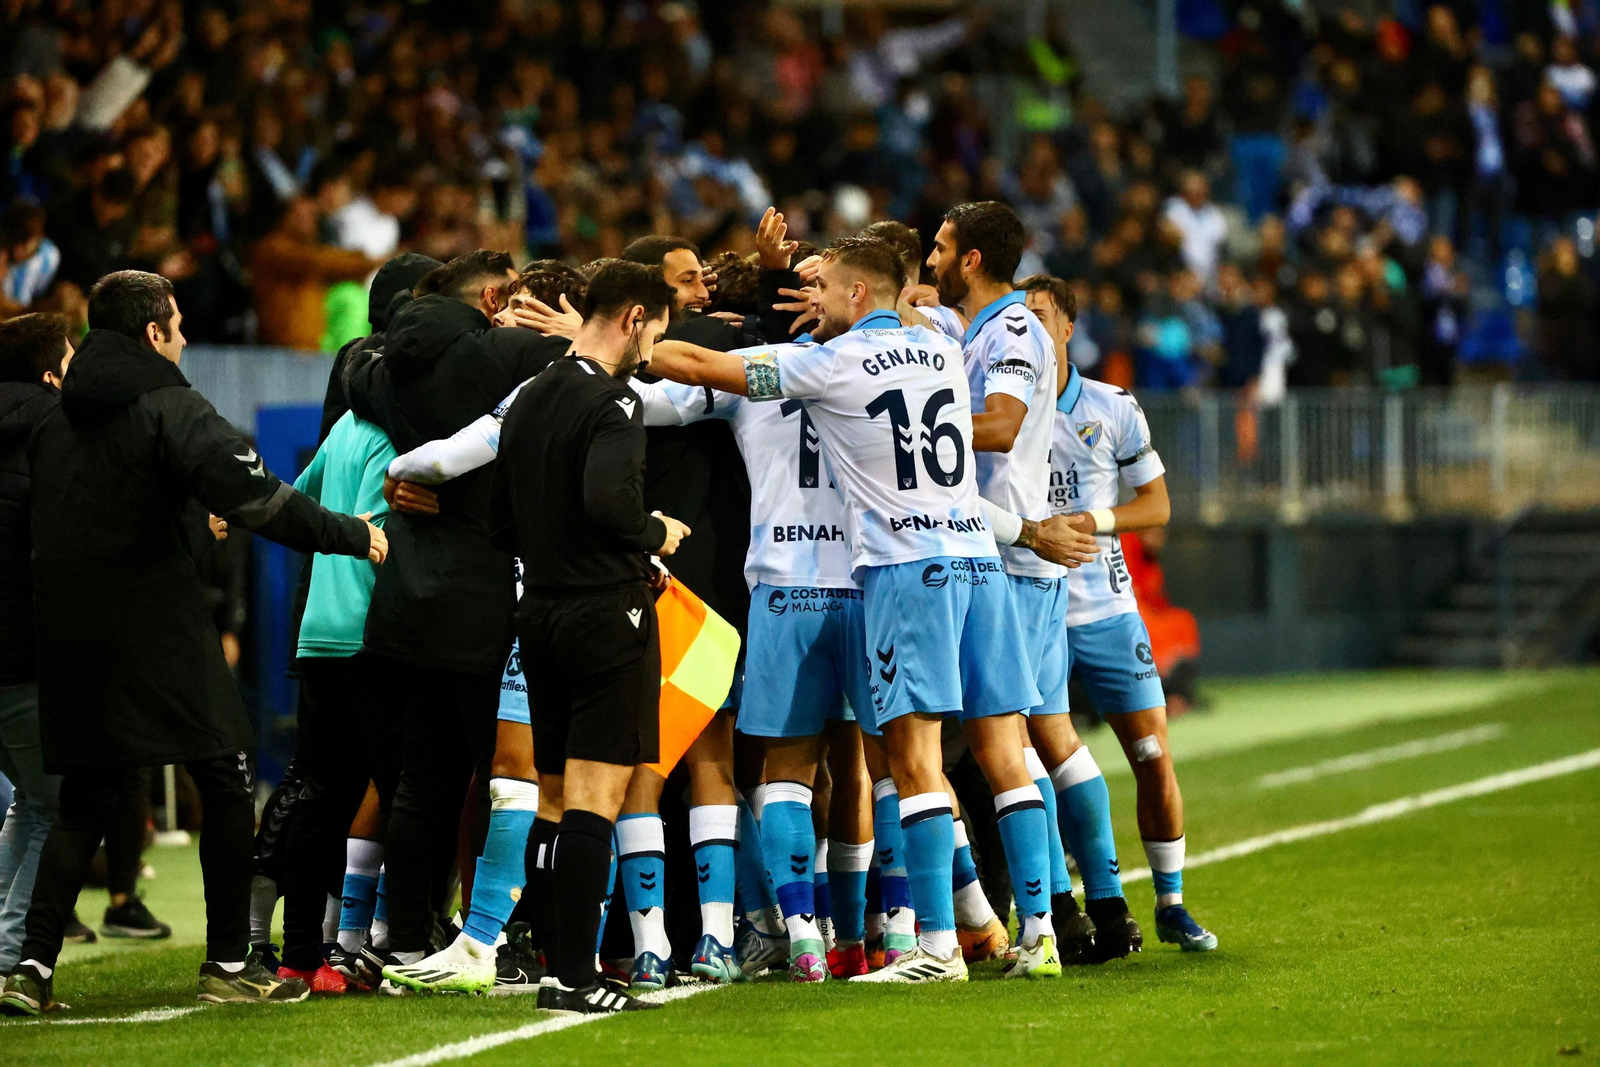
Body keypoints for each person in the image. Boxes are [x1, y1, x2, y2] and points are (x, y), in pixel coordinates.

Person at [648, 237, 1078, 984]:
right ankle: (1038, 932)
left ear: (852, 296)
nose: (815, 302)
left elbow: (698, 368)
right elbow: (919, 301)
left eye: (827, 291)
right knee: (1007, 754)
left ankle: (934, 945)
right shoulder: (938, 342)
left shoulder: (827, 365)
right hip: (980, 558)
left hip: (908, 572)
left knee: (910, 764)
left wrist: (627, 341)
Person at [0, 271, 387, 1016]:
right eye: (176, 327)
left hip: (72, 636)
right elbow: (262, 500)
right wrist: (351, 533)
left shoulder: (55, 419)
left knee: (86, 799)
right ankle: (230, 960)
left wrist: (185, 519)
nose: (182, 340)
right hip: (159, 625)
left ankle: (29, 968)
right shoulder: (171, 404)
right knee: (227, 772)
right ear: (153, 333)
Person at [341, 250, 567, 976]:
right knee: (514, 778)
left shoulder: (378, 367)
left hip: (410, 596)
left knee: (423, 782)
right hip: (489, 594)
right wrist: (562, 327)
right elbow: (594, 359)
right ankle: (509, 932)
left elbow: (355, 375)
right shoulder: (506, 353)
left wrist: (405, 474)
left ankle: (401, 935)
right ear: (496, 298)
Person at [923, 201, 1120, 970]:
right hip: (1003, 554)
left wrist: (906, 417)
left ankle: (1016, 920)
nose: (932, 259)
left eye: (941, 247)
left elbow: (1000, 424)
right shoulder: (979, 328)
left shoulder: (1008, 330)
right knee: (1001, 745)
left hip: (1010, 559)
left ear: (971, 259)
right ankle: (1033, 920)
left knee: (992, 745)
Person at [491, 260, 688, 1014]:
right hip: (606, 615)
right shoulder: (616, 403)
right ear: (635, 316)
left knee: (551, 798)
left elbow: (499, 523)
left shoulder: (530, 397)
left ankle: (552, 966)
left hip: (536, 611)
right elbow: (610, 500)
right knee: (594, 802)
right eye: (657, 328)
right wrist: (655, 534)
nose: (653, 347)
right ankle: (576, 975)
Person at [1023, 274, 1219, 954]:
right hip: (1026, 607)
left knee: (1152, 754)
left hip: (1106, 612)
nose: (1029, 330)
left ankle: (1171, 901)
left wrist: (1095, 518)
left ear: (1069, 327)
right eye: (1018, 317)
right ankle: (1063, 905)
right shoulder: (997, 406)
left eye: (1041, 316)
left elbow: (1157, 504)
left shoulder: (1111, 408)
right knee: (1034, 761)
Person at [0, 313, 71, 974]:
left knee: (30, 797)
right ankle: (8, 951)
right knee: (54, 805)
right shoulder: (54, 434)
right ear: (51, 373)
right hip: (23, 654)